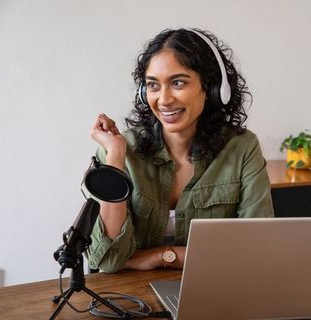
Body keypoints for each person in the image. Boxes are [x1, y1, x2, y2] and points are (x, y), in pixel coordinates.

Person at [86, 28, 274, 273]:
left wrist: (162, 256)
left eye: (177, 83)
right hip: (131, 297)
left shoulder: (242, 148)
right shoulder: (119, 152)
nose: (163, 100)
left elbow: (256, 250)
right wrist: (115, 157)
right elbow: (107, 261)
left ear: (213, 88)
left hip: (213, 286)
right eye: (153, 85)